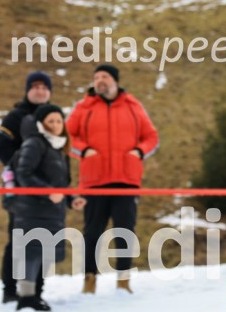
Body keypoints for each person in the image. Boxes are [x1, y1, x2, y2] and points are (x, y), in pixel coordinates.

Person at [67, 64, 159, 293]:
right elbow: (66, 136)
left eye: (105, 76)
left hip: (126, 180)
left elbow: (152, 137)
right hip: (93, 181)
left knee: (125, 230)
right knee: (92, 232)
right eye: (96, 77)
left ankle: (123, 281)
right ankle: (89, 280)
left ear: (115, 80)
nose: (100, 80)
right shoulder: (83, 107)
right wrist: (84, 150)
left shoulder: (133, 106)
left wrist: (139, 152)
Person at [11, 105, 86, 311]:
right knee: (31, 252)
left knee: (44, 252)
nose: (55, 125)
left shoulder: (60, 149)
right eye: (50, 121)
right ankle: (26, 297)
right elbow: (24, 173)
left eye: (59, 121)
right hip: (32, 210)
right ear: (41, 124)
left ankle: (37, 295)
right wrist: (47, 192)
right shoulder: (34, 144)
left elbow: (62, 184)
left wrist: (71, 200)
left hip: (52, 212)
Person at [0, 71, 52, 304]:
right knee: (17, 237)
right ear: (28, 90)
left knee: (43, 238)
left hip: (46, 187)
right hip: (20, 187)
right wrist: (23, 166)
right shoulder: (16, 116)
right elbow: (0, 146)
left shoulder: (52, 116)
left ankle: (36, 289)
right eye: (35, 87)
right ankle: (10, 290)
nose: (40, 91)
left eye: (44, 87)